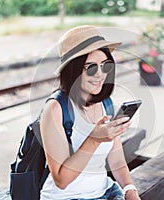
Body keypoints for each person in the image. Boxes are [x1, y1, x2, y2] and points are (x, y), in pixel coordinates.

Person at [39, 25, 141, 200]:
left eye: (105, 66)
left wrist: (130, 190)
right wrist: (94, 139)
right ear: (73, 70)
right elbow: (61, 180)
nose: (100, 75)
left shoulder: (107, 104)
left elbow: (117, 163)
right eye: (91, 68)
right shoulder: (55, 108)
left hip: (106, 192)